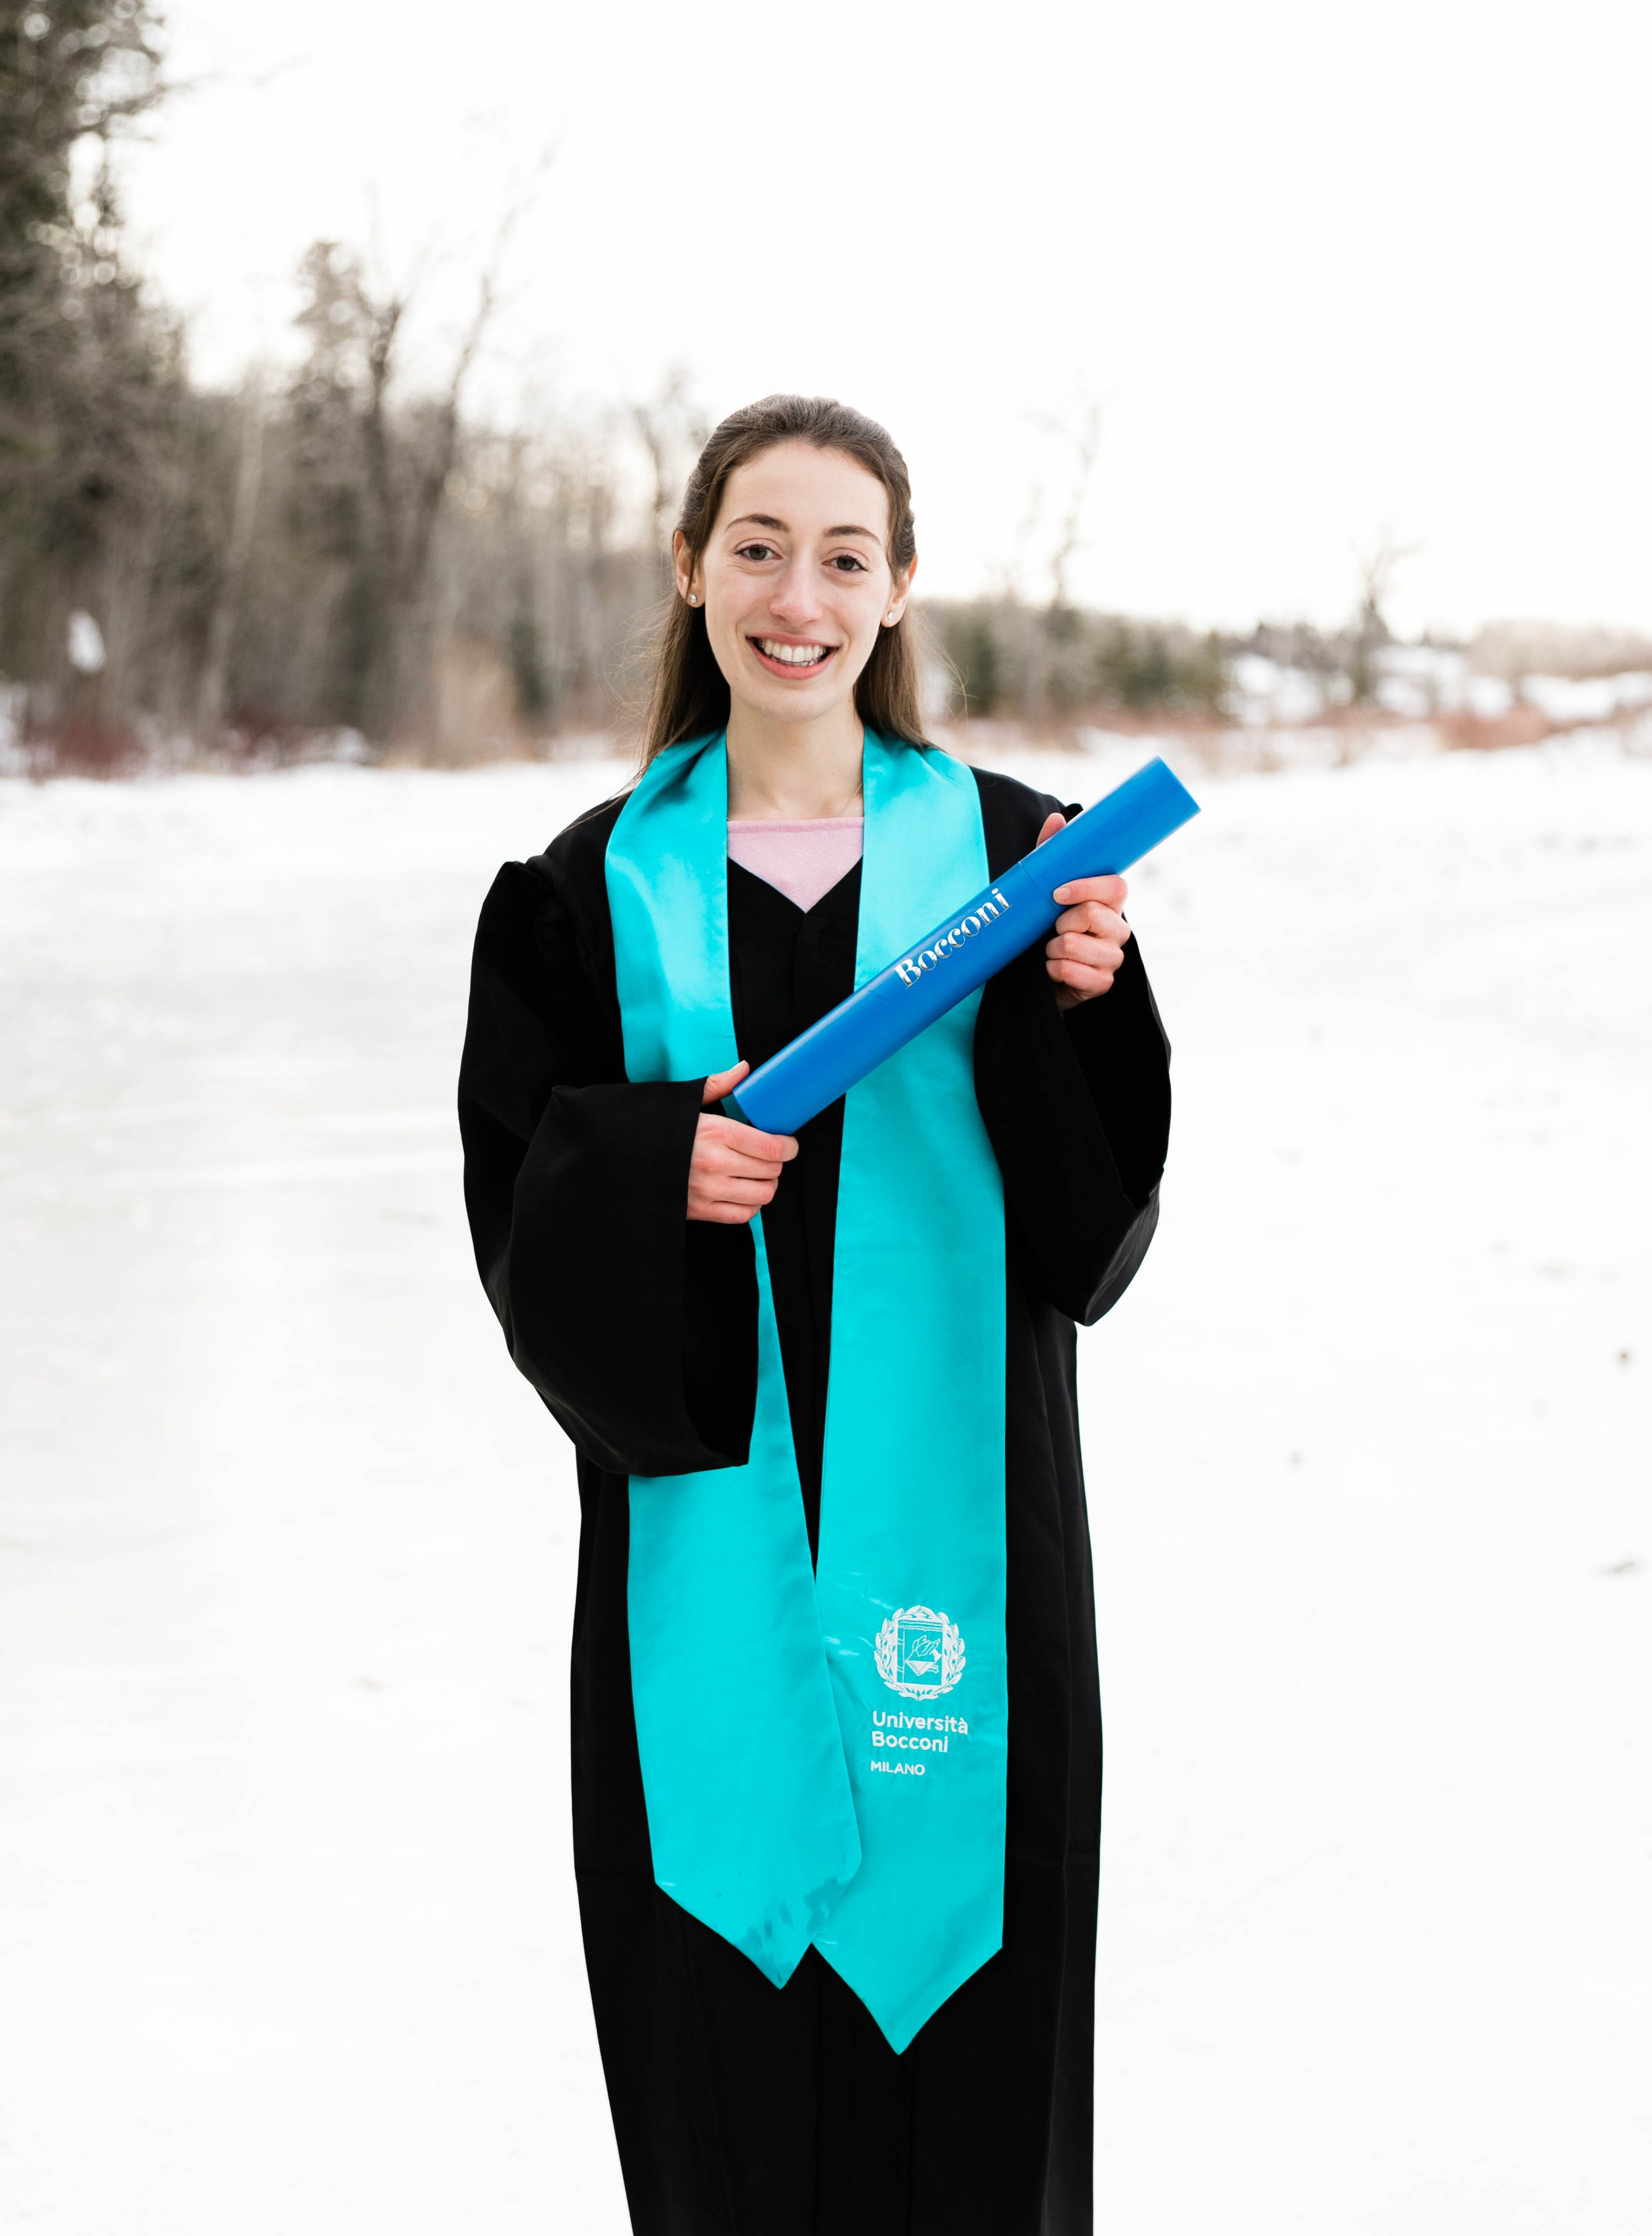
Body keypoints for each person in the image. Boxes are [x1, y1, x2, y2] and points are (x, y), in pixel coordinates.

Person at [458, 394, 1172, 2235]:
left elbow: (1093, 1244)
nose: (800, 595)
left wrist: (1088, 1005)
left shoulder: (1023, 874)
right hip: (704, 1575)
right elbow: (522, 1246)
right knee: (729, 2100)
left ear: (902, 588)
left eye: (846, 556)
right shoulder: (574, 898)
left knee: (978, 2118)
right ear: (691, 568)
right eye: (758, 547)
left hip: (979, 1580)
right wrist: (645, 1169)